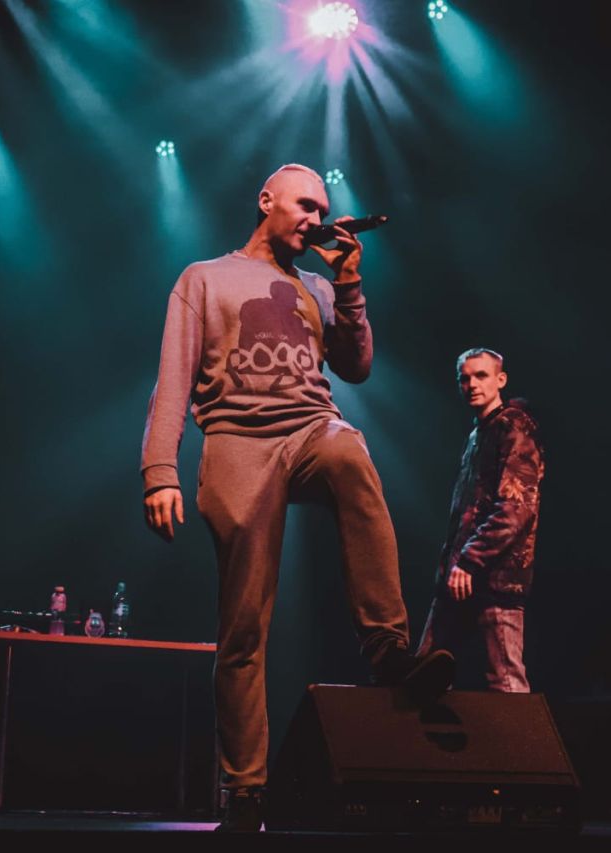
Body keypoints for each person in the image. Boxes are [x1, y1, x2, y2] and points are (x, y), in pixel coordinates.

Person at [140, 164, 454, 831]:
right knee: (243, 626)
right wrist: (160, 471)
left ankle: (388, 648)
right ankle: (245, 790)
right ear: (267, 200)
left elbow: (356, 367)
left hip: (310, 428)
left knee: (349, 450)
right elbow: (172, 378)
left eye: (323, 211)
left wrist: (350, 283)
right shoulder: (205, 278)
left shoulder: (317, 286)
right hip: (237, 442)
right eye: (306, 206)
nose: (316, 220)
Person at [416, 348, 544, 693]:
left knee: (507, 683)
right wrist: (452, 566)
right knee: (424, 677)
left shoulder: (514, 426)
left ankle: (520, 735)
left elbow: (515, 507)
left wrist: (470, 560)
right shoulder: (478, 434)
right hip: (460, 575)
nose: (472, 384)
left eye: (481, 375)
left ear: (501, 380)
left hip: (495, 579)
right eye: (465, 378)